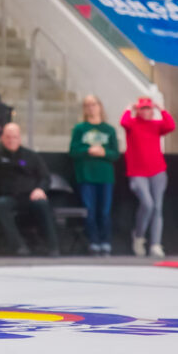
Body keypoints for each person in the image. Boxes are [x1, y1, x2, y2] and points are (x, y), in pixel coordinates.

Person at [0, 123, 60, 257]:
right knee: (0, 204)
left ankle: (53, 247)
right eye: (8, 137)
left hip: (31, 196)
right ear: (3, 138)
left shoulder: (31, 156)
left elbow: (45, 177)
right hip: (8, 197)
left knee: (43, 204)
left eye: (14, 137)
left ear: (19, 138)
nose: (11, 140)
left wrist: (40, 189)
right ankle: (18, 246)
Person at [122, 97, 176, 258]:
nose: (146, 111)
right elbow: (124, 122)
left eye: (148, 108)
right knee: (147, 203)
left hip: (157, 171)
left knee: (157, 207)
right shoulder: (132, 124)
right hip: (138, 172)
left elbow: (171, 125)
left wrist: (162, 109)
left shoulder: (156, 125)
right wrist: (128, 108)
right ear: (138, 110)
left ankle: (155, 244)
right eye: (143, 108)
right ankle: (139, 236)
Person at [70, 95, 119, 256]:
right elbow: (73, 151)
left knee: (104, 211)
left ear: (100, 106)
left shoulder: (109, 130)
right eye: (87, 105)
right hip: (86, 176)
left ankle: (106, 242)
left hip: (105, 177)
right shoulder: (79, 129)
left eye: (93, 104)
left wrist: (104, 152)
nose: (91, 107)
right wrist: (88, 150)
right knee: (89, 211)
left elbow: (115, 154)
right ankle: (94, 242)